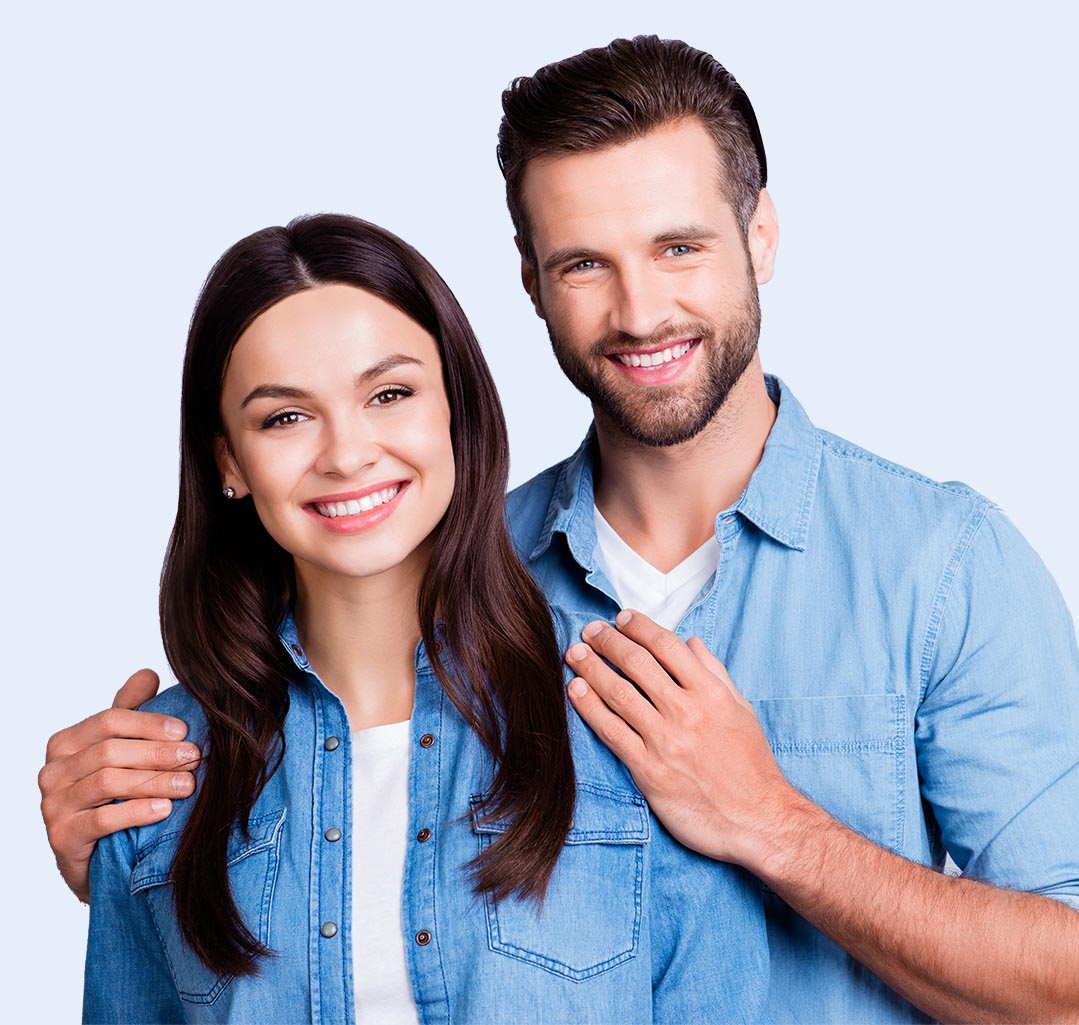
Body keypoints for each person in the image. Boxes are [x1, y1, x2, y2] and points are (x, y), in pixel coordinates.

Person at [43, 36, 1079, 1024]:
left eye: (679, 247)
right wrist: (137, 830)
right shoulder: (450, 577)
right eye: (583, 264)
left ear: (761, 234)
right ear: (529, 281)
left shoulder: (940, 561)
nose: (640, 311)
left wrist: (768, 818)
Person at [79, 213, 768, 1024]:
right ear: (229, 459)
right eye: (285, 417)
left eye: (390, 394)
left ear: (455, 410)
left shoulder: (630, 721)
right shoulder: (154, 781)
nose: (347, 452)